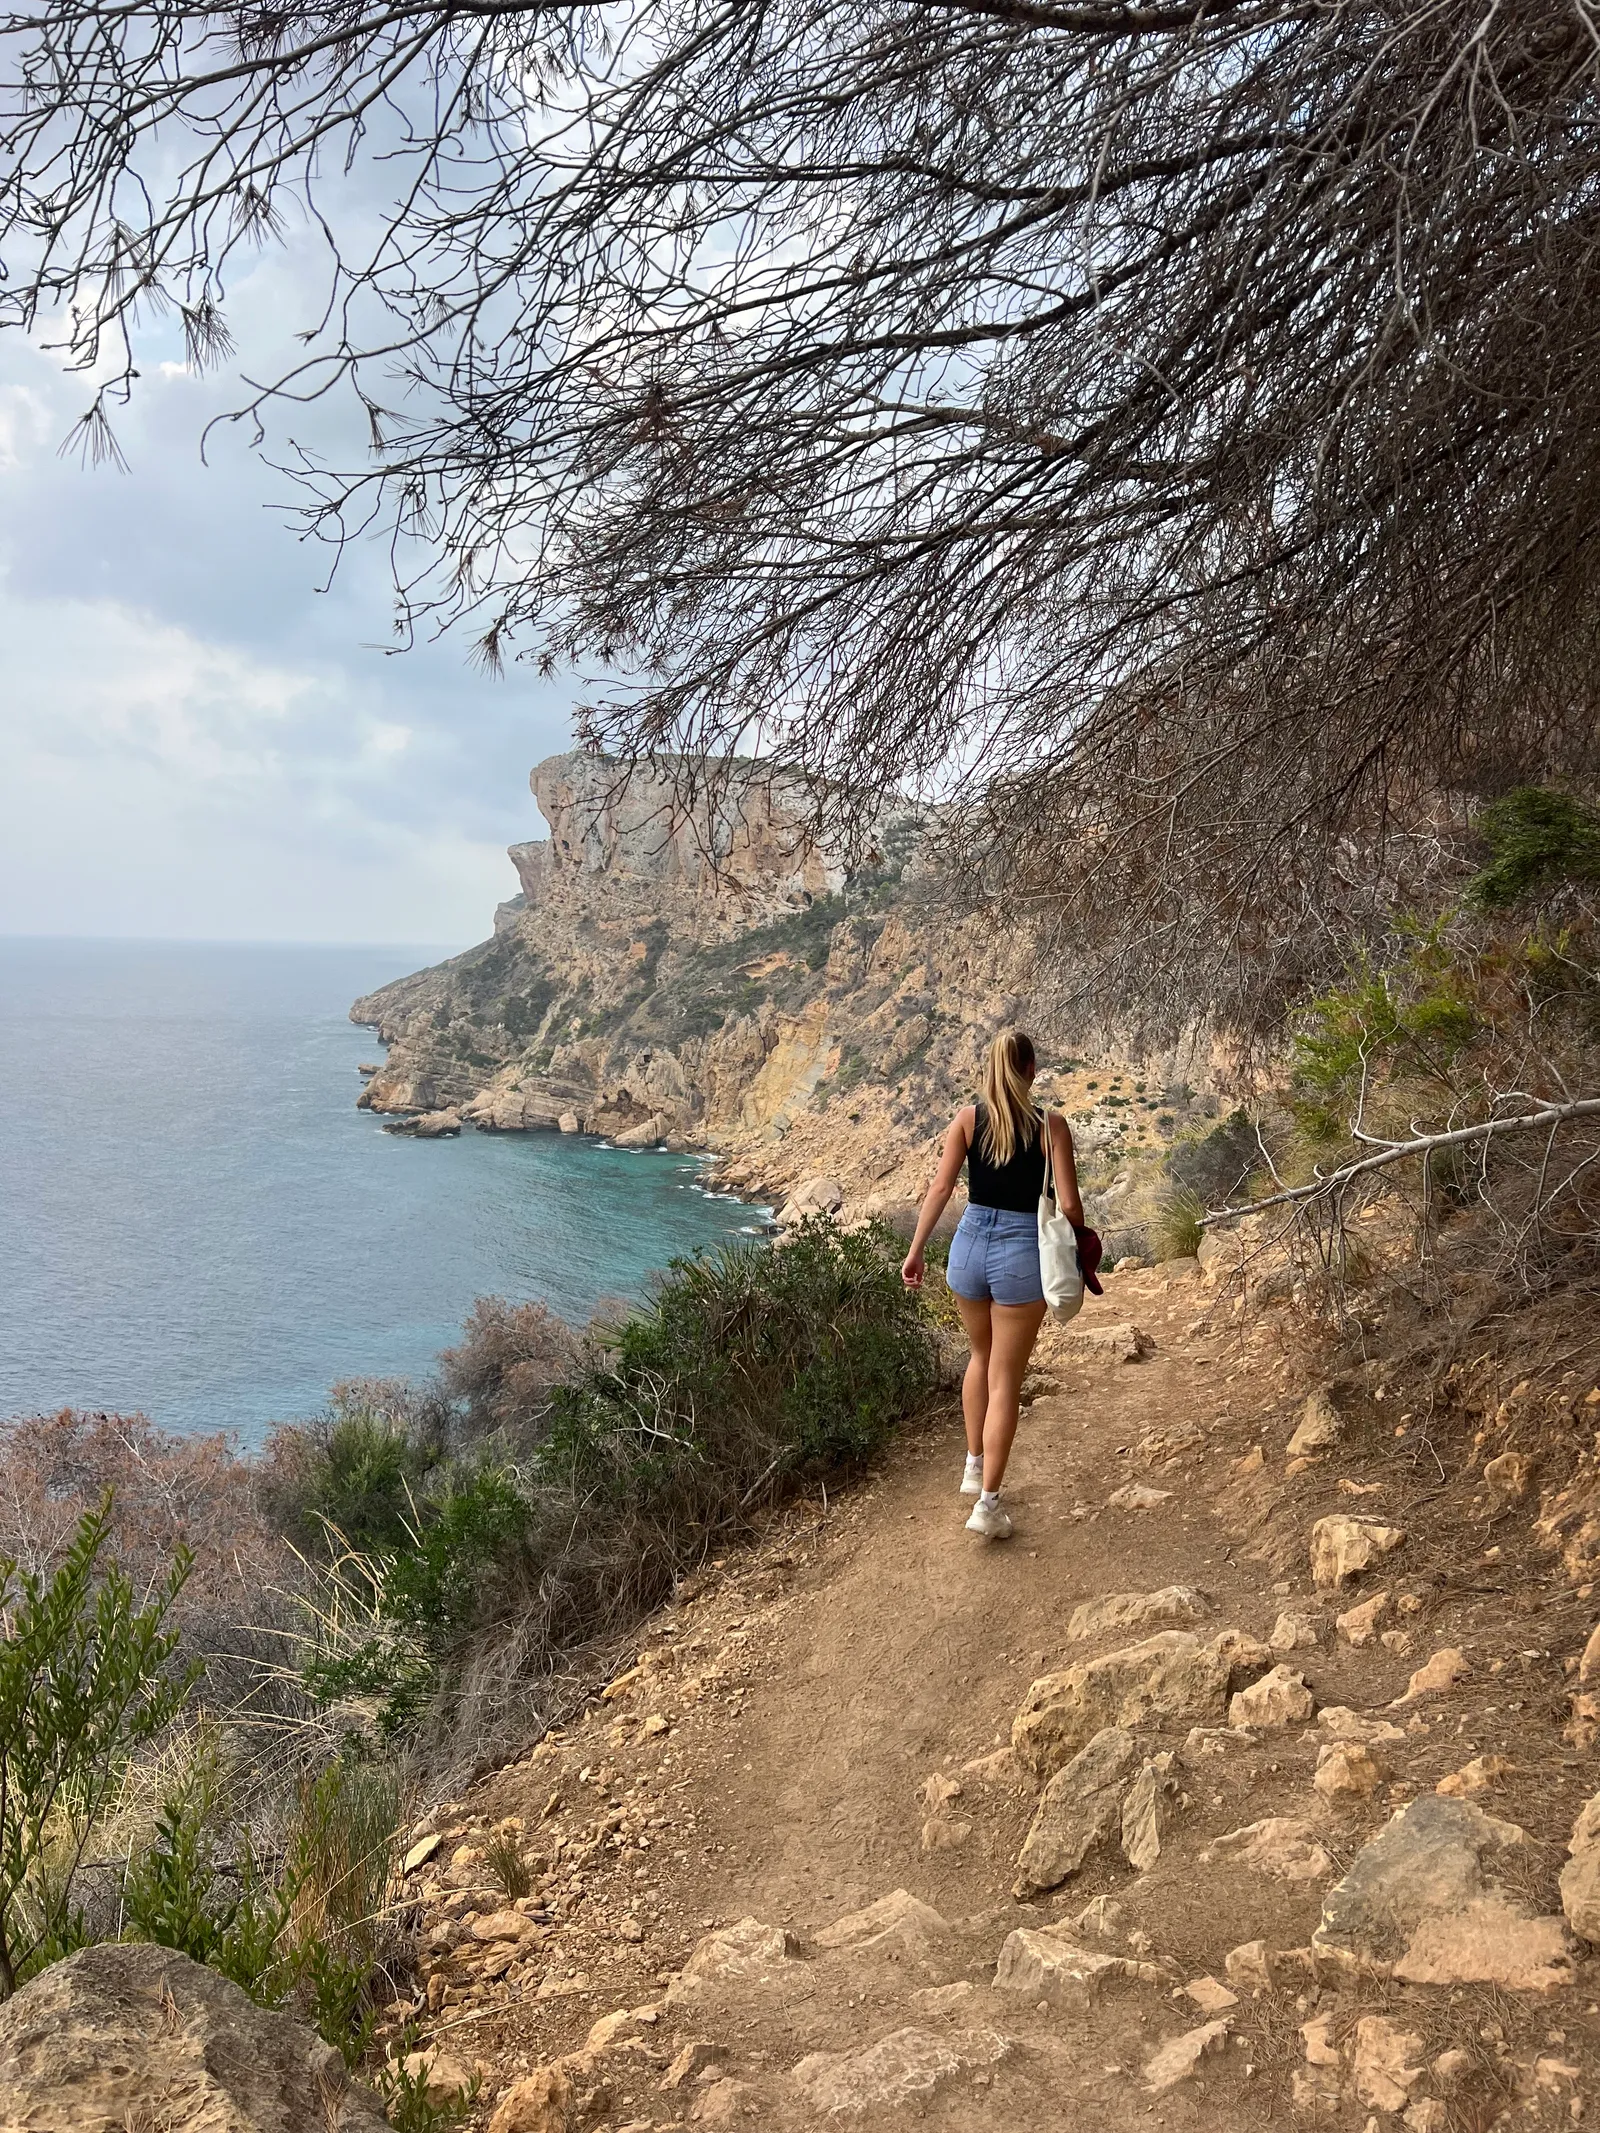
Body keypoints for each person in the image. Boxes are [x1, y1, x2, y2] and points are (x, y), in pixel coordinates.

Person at [900, 1028, 1083, 1539]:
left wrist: (915, 1251)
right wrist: (1079, 1243)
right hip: (1021, 1254)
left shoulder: (967, 1119)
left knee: (980, 1357)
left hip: (968, 1246)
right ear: (1031, 1070)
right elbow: (1069, 1204)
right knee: (1006, 1379)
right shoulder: (1051, 1126)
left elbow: (941, 1187)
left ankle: (973, 1464)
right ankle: (988, 1505)